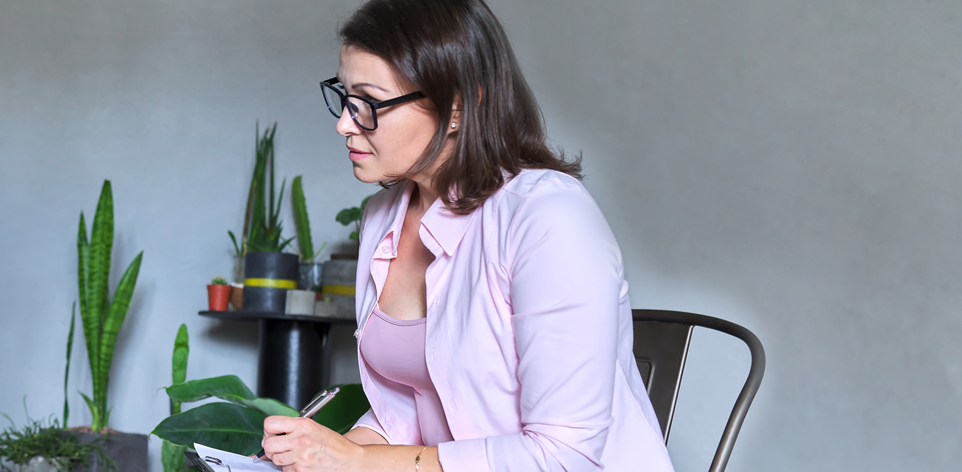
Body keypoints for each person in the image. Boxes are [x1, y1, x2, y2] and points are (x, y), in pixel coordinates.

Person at [256, 0, 675, 471]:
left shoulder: (548, 217)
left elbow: (564, 456)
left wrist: (353, 463)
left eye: (369, 104)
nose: (344, 123)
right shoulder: (383, 216)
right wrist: (316, 458)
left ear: (458, 106)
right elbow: (406, 409)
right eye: (344, 96)